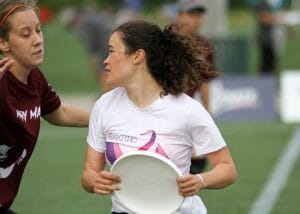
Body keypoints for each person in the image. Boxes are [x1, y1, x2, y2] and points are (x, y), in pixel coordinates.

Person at [81, 20, 237, 214]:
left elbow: (227, 169)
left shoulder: (187, 110)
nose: (105, 60)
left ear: (138, 56)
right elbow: (89, 172)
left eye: (112, 51)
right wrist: (95, 181)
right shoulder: (103, 106)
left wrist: (200, 180)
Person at [0, 1, 90, 212]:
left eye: (38, 31)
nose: (37, 40)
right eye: (25, 34)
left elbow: (60, 114)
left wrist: (110, 117)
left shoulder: (35, 78)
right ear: (3, 43)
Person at [175, 0, 215, 174]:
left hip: (186, 111)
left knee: (195, 167)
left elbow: (205, 82)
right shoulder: (163, 42)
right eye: (192, 15)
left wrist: (207, 114)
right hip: (162, 108)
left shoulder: (205, 46)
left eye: (199, 15)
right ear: (179, 16)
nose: (197, 19)